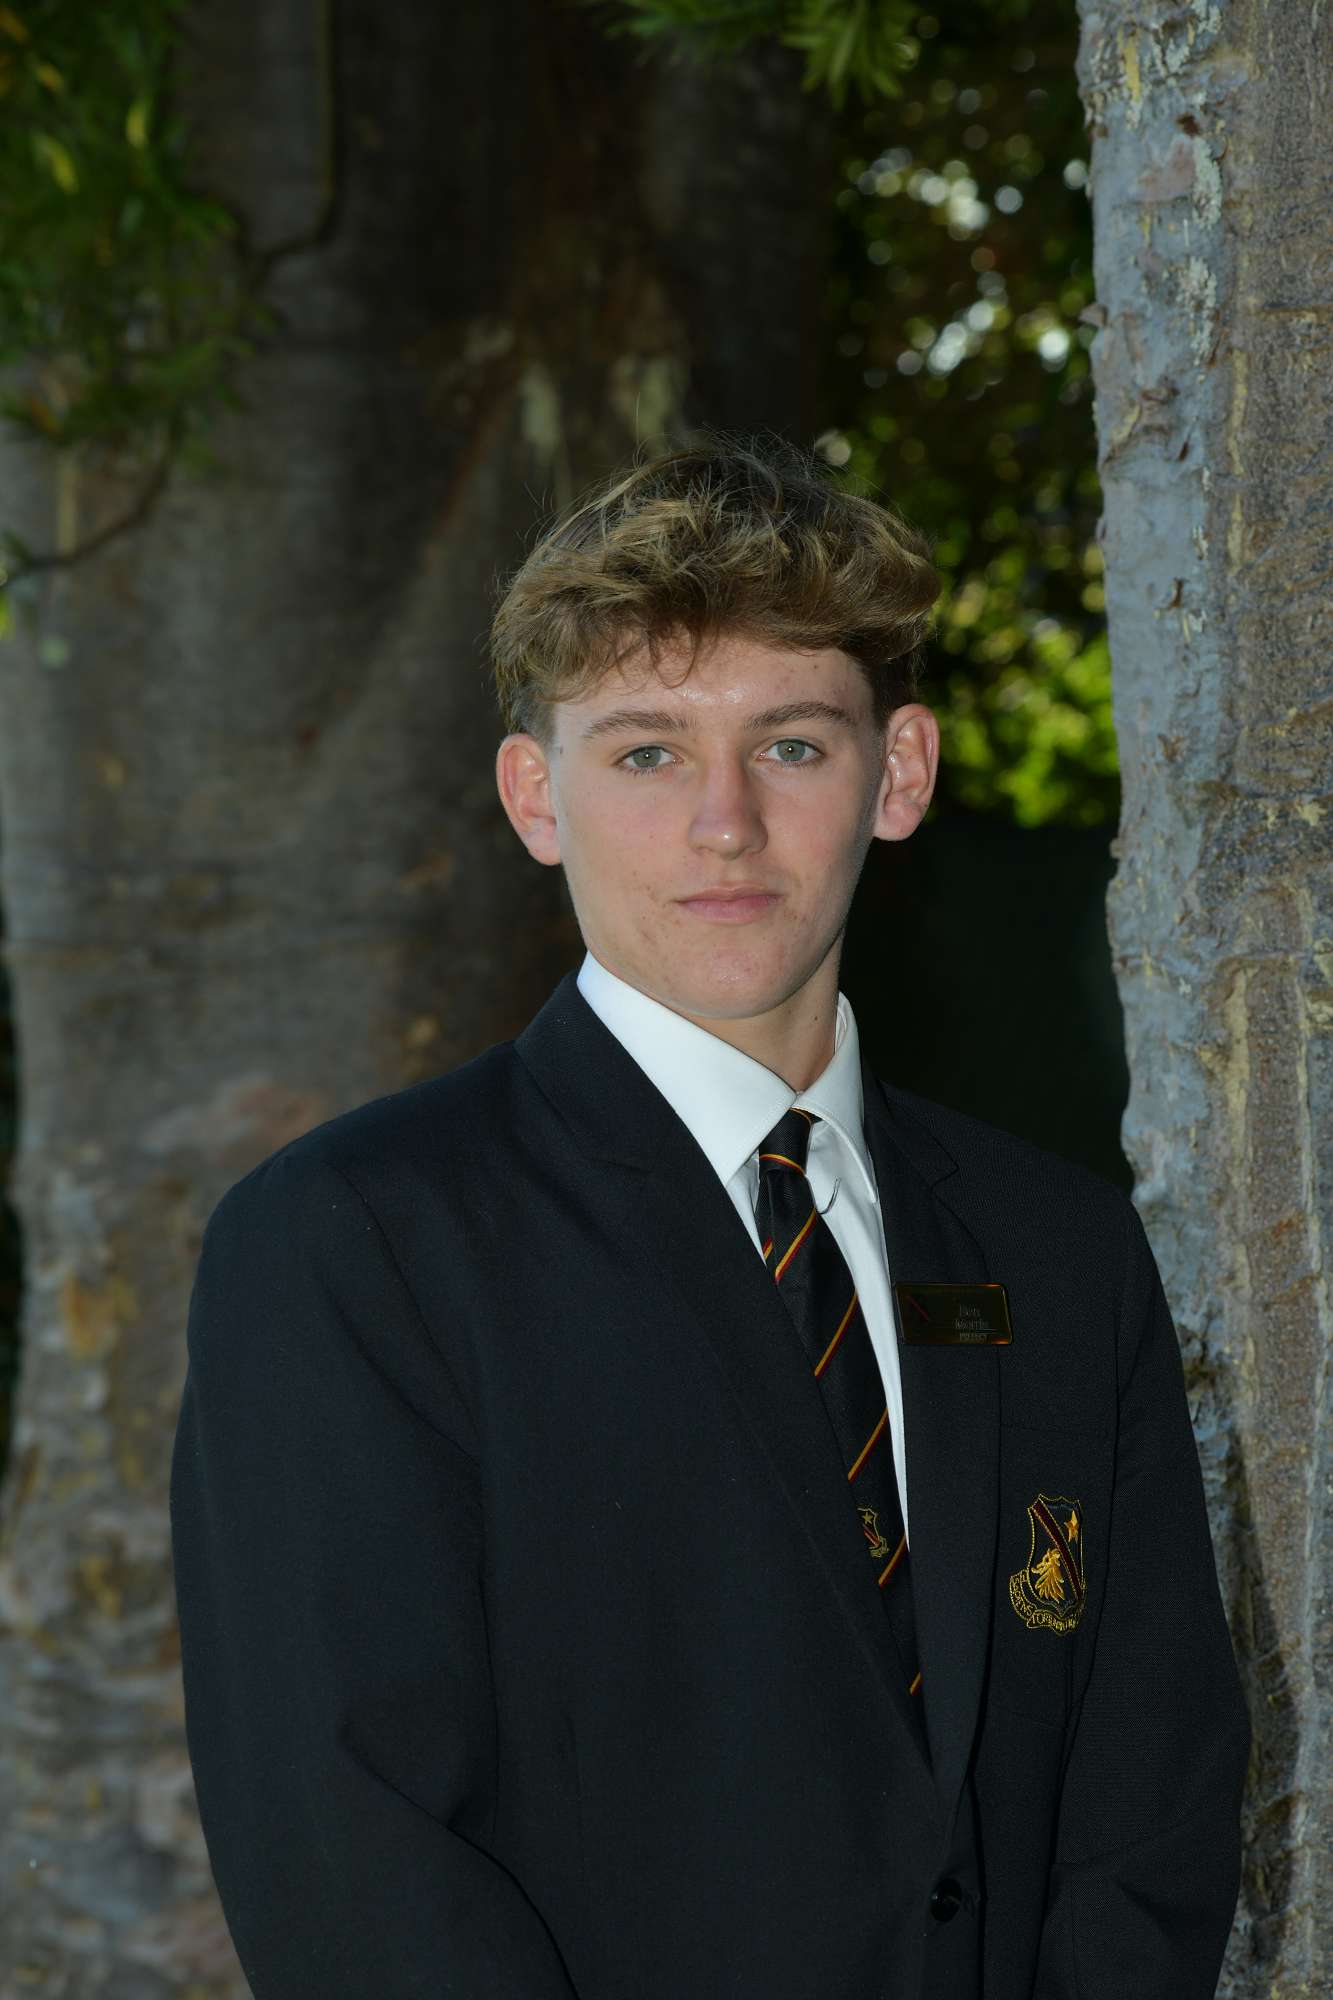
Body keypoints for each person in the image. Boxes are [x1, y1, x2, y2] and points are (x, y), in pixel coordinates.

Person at [170, 430, 1249, 2000]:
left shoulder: (1058, 1250)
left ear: (899, 774)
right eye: (646, 754)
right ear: (535, 797)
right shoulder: (355, 1245)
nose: (725, 821)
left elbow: (1151, 1781)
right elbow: (348, 1851)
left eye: (791, 746)